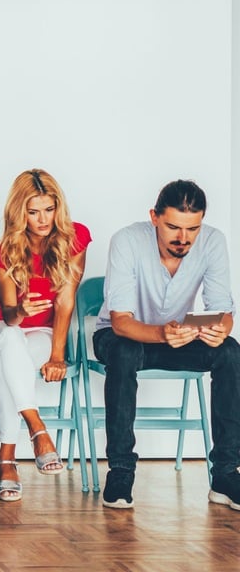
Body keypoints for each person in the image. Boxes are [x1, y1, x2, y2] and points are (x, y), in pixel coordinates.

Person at [93, 180, 240, 510]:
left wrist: (219, 329)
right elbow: (120, 321)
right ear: (154, 217)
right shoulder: (127, 240)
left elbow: (222, 309)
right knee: (124, 350)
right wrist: (162, 334)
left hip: (177, 336)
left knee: (230, 350)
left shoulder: (213, 241)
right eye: (174, 226)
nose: (183, 238)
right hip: (120, 338)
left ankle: (227, 475)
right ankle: (120, 471)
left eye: (192, 229)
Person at [0, 170, 88, 502]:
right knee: (8, 340)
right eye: (33, 211)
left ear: (57, 208)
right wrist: (21, 310)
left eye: (48, 209)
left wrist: (58, 355)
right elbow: (8, 315)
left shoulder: (76, 237)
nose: (42, 219)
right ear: (19, 212)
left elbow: (66, 301)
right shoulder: (6, 249)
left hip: (40, 334)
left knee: (3, 363)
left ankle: (6, 458)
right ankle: (37, 429)